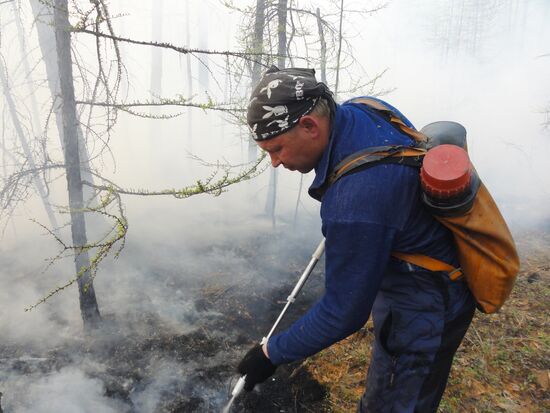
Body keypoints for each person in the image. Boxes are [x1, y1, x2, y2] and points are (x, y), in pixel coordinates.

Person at [237, 66, 476, 413]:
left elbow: (342, 314)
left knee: (396, 401)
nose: (274, 162)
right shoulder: (362, 109)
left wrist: (269, 354)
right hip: (417, 271)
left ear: (309, 126)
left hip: (425, 304)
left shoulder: (355, 202)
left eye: (276, 148)